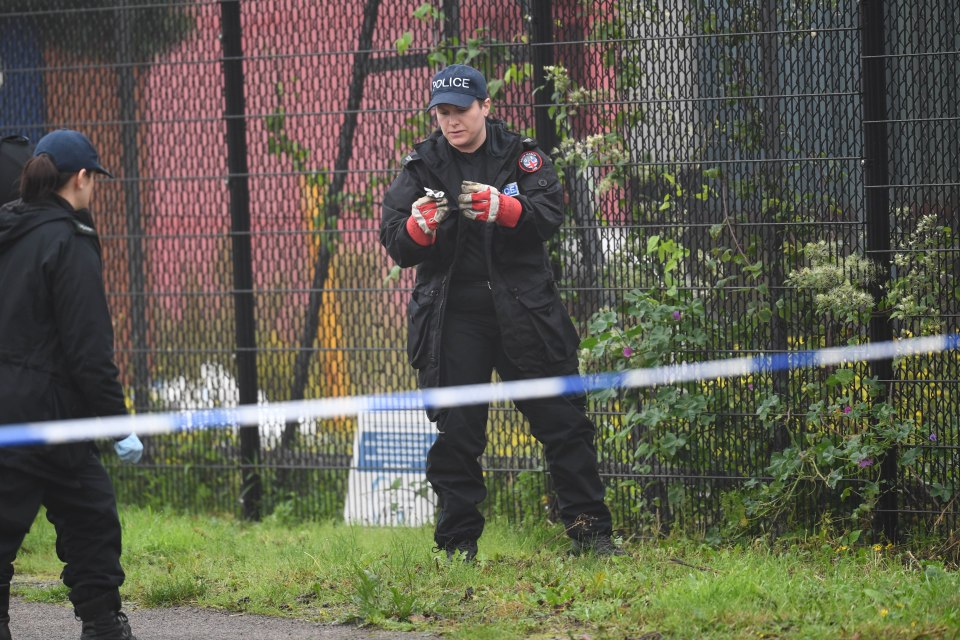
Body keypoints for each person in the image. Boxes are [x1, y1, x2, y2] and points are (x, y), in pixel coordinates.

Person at [380, 64, 624, 560]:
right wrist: (418, 230)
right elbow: (394, 241)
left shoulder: (523, 156)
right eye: (442, 113)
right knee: (459, 432)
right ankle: (456, 547)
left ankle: (590, 533)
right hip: (454, 319)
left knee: (564, 422)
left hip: (524, 310)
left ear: (485, 107)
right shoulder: (421, 165)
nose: (451, 122)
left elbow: (550, 215)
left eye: (461, 111)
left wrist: (506, 210)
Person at [0, 129, 142, 640]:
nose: (94, 190)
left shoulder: (9, 229)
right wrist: (119, 424)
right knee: (91, 522)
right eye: (93, 180)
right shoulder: (70, 239)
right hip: (54, 414)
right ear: (80, 178)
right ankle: (104, 624)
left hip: (8, 414)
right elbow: (88, 350)